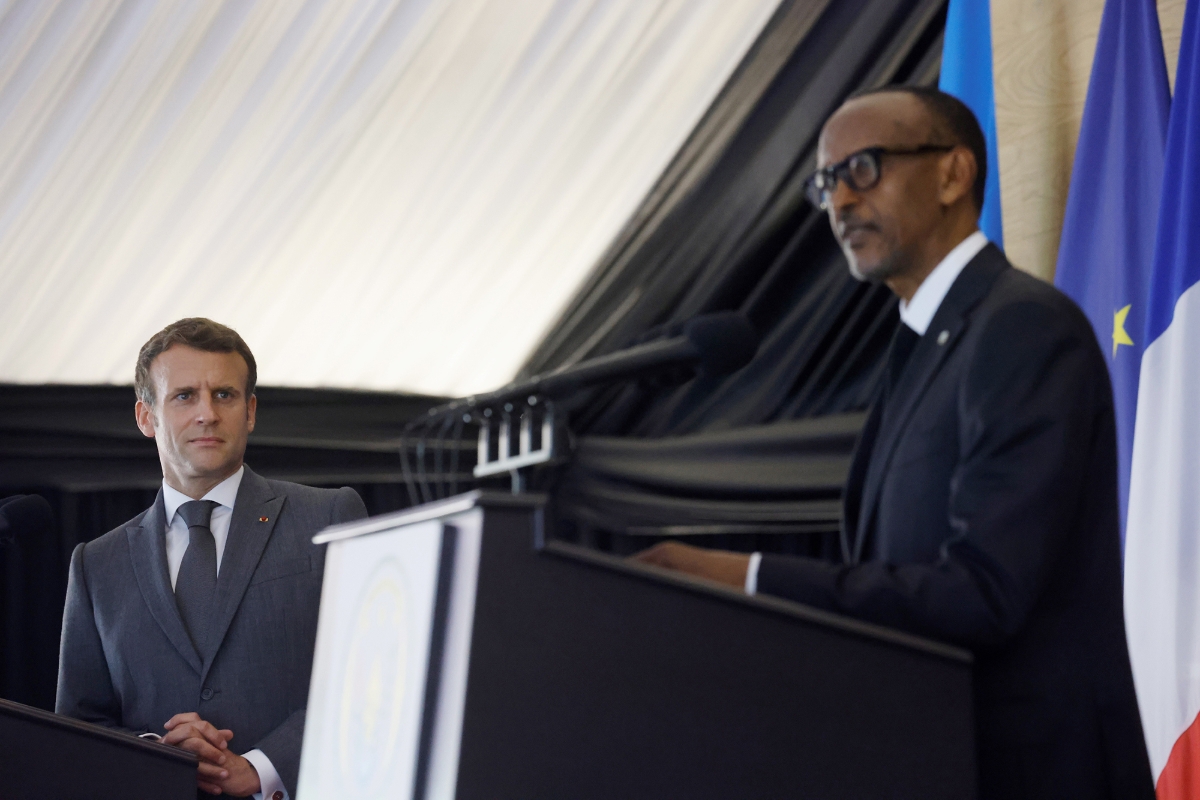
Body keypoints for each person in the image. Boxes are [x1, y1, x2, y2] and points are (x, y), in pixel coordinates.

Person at [634, 87, 1155, 797]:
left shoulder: (1024, 329)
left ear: (952, 173)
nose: (840, 202)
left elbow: (983, 593)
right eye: (826, 182)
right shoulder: (920, 348)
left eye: (864, 168)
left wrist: (748, 578)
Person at [56, 318, 367, 799]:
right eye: (184, 396)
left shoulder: (328, 515)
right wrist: (158, 753)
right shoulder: (97, 564)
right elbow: (78, 728)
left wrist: (261, 768)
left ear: (250, 411)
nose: (207, 413)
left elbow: (370, 677)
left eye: (224, 395)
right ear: (146, 417)